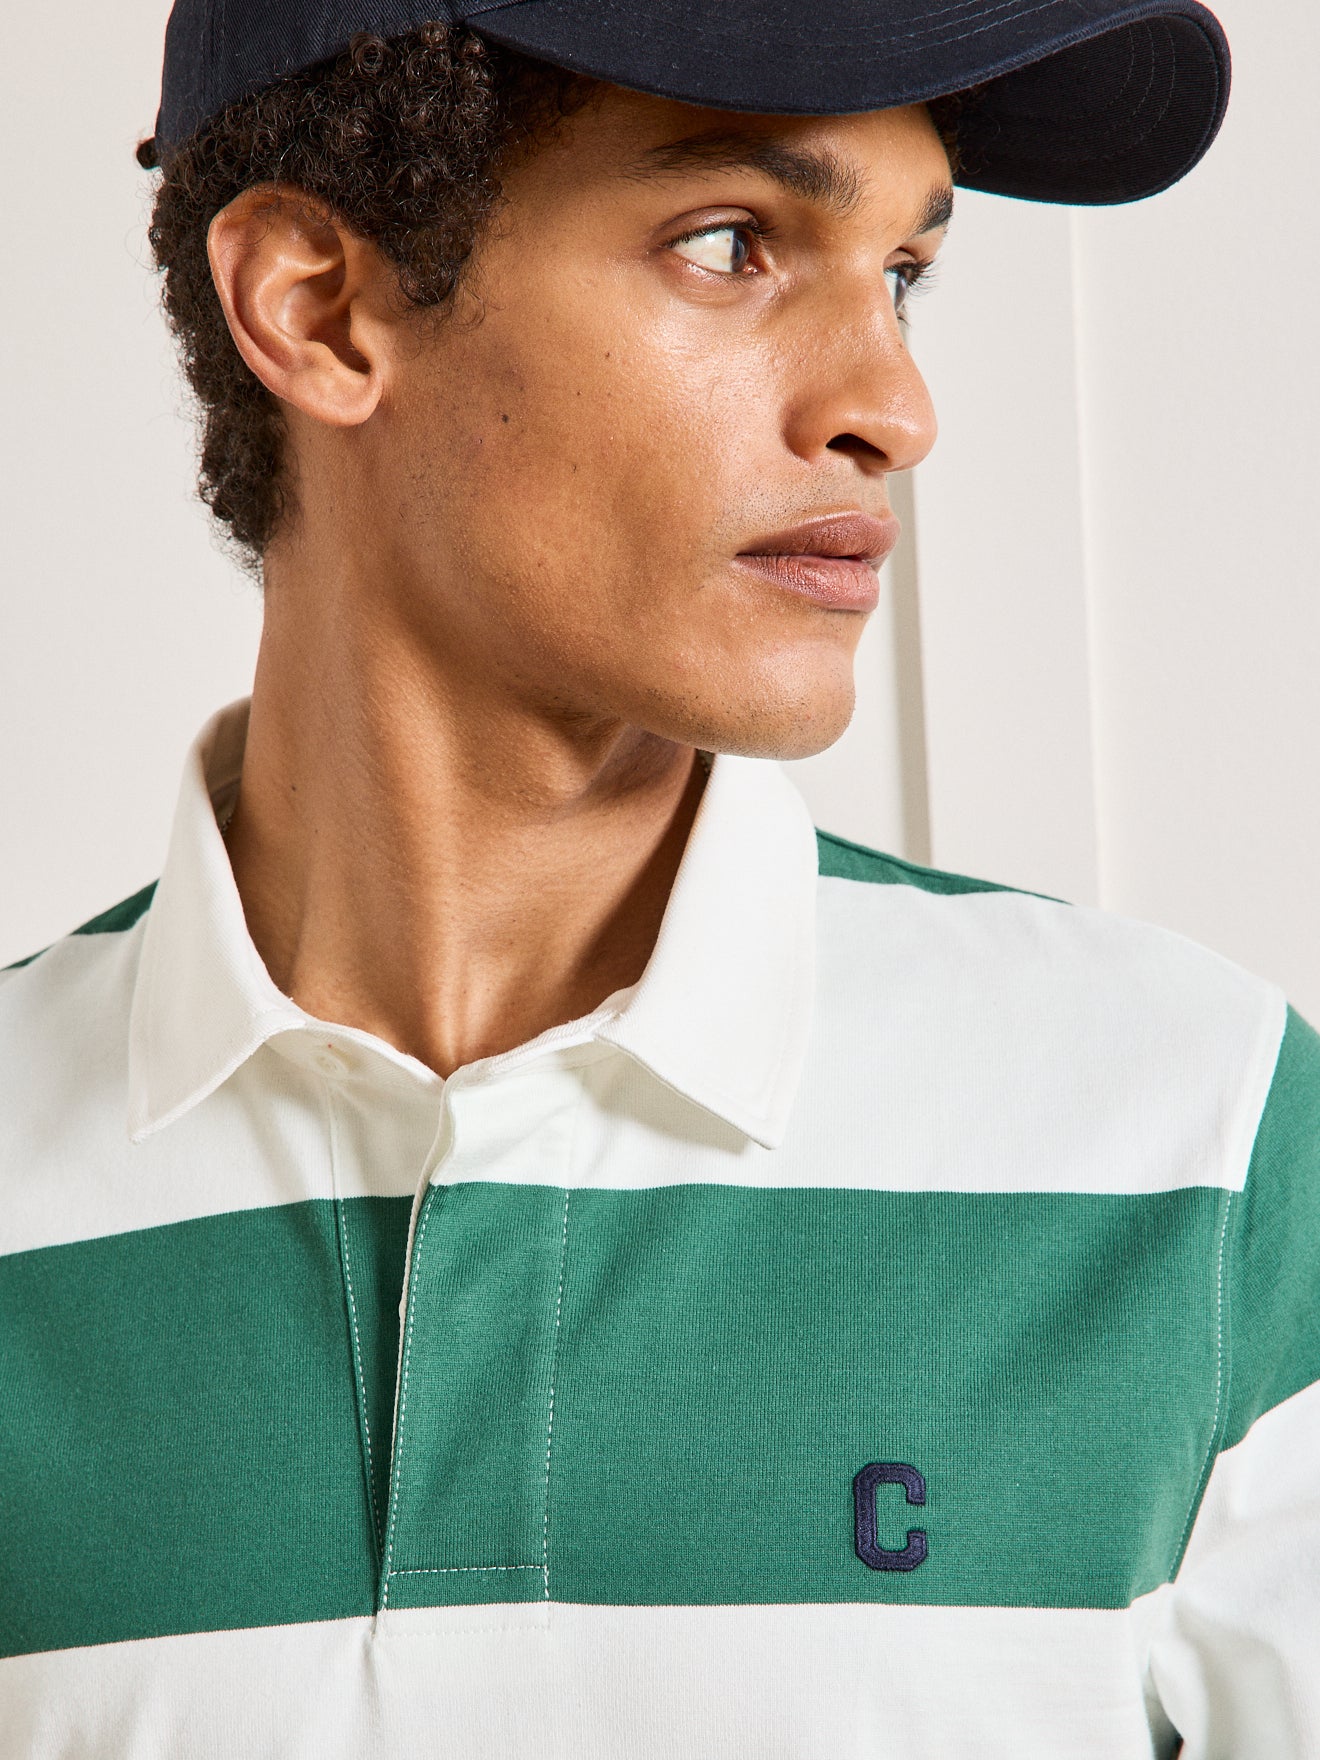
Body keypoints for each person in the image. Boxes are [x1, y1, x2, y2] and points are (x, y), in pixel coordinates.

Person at [1, 1, 1315, 1754]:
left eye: (902, 273)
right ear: (318, 308)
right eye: (730, 244)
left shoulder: (1202, 1137)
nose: (892, 408)